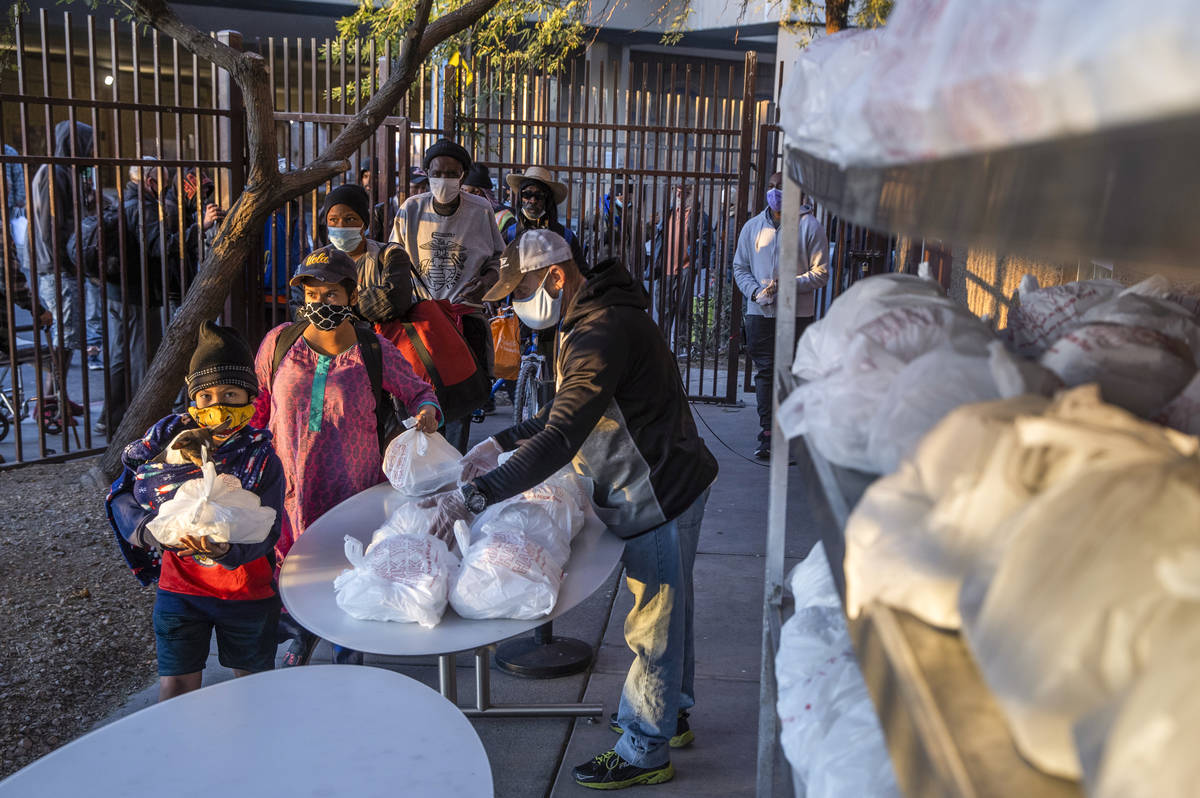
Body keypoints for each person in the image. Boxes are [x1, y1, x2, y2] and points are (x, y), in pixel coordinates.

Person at [434, 229, 718, 789]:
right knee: (670, 604)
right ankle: (672, 711)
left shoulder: (601, 332)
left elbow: (563, 435)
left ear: (556, 277)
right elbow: (568, 410)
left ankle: (644, 747)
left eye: (522, 290)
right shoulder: (596, 319)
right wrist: (502, 440)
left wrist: (477, 495)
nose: (517, 305)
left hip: (655, 491)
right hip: (667, 478)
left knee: (652, 625)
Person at [250, 247, 441, 665]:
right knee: (293, 561)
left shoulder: (372, 349)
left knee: (347, 559)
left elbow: (419, 391)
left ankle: (347, 640)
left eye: (331, 294)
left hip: (351, 487)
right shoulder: (279, 343)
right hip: (290, 484)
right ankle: (301, 633)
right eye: (312, 294)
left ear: (351, 296)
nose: (320, 303)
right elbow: (259, 406)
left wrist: (427, 410)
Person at [106, 321, 285, 702]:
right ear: (193, 400)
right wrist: (148, 531)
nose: (218, 405)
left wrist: (228, 552)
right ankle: (176, 758)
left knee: (254, 690)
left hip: (247, 593)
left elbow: (269, 529)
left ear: (249, 398)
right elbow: (122, 493)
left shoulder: (262, 457)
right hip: (180, 592)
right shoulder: (165, 443)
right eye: (206, 396)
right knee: (176, 689)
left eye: (231, 393)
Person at [389, 138, 503, 452]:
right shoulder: (411, 209)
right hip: (420, 323)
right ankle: (415, 463)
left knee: (459, 402)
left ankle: (453, 471)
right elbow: (393, 259)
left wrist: (487, 280)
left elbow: (499, 258)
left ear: (463, 175)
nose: (444, 179)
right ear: (426, 173)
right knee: (414, 398)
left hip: (464, 318)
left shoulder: (480, 210)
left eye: (452, 173)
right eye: (438, 172)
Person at [98, 159, 221, 435]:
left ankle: (111, 419)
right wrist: (199, 226)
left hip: (122, 291)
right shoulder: (143, 207)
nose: (166, 188)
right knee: (141, 358)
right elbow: (160, 245)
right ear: (150, 182)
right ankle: (141, 424)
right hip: (137, 294)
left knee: (122, 357)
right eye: (163, 181)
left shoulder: (130, 203)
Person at [732, 171, 830, 459]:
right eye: (772, 187)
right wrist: (754, 293)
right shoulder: (752, 227)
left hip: (795, 316)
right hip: (759, 313)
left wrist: (787, 284)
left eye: (782, 188)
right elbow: (740, 267)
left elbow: (821, 274)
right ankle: (768, 434)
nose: (775, 192)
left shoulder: (809, 227)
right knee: (765, 374)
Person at [30, 120, 94, 403]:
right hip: (57, 267)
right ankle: (52, 397)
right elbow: (50, 227)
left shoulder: (64, 173)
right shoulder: (53, 173)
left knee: (66, 335)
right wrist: (67, 263)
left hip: (62, 265)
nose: (91, 152)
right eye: (87, 145)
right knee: (64, 335)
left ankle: (54, 396)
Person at [316, 182, 414, 324]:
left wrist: (331, 307)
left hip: (381, 343)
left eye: (350, 219)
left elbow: (394, 299)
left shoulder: (390, 255)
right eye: (333, 220)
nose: (341, 226)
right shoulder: (317, 260)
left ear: (364, 223)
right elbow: (301, 308)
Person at [502, 165, 585, 267]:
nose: (532, 201)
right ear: (520, 198)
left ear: (548, 200)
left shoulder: (565, 237)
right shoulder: (509, 235)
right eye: (527, 194)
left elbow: (581, 274)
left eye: (539, 196)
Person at [368, 166, 427, 242]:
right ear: (400, 187)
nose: (420, 192)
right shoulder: (381, 210)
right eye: (416, 187)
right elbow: (371, 242)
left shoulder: (426, 209)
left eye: (423, 187)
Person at [462, 163, 515, 234]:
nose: (461, 194)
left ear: (477, 192)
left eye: (464, 190)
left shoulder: (503, 217)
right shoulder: (462, 212)